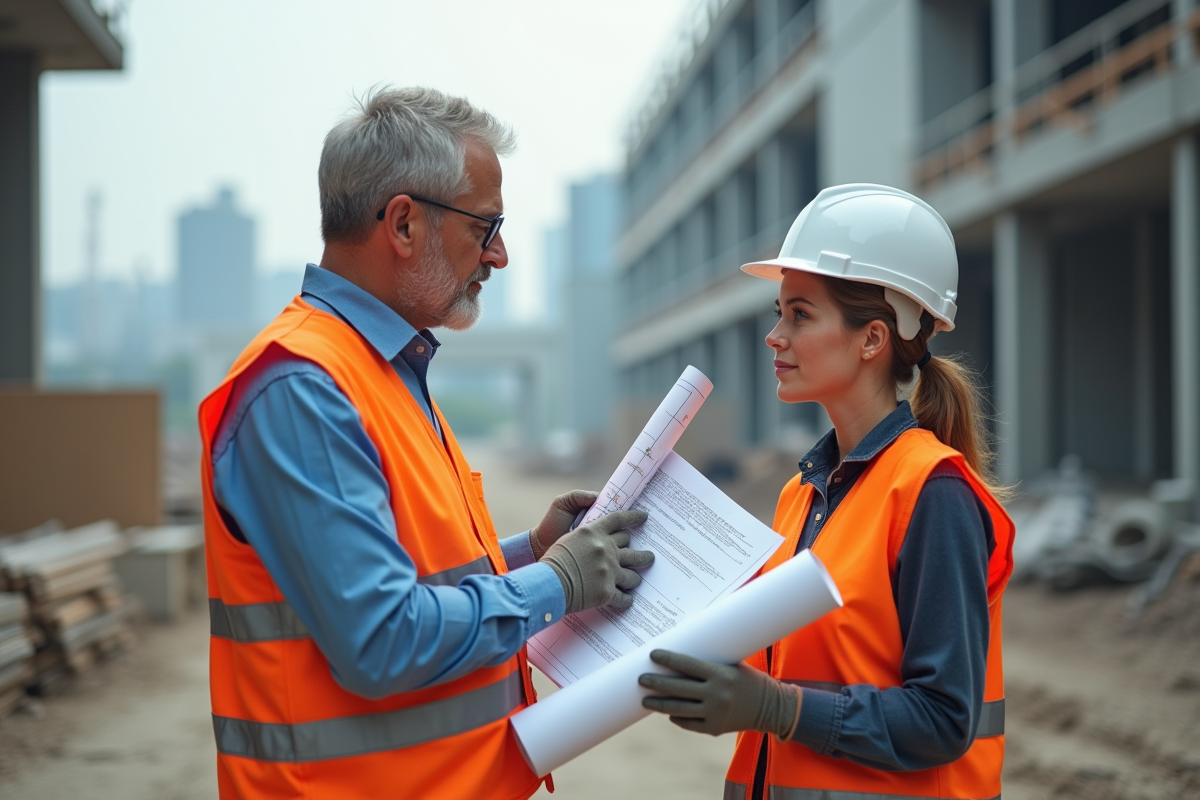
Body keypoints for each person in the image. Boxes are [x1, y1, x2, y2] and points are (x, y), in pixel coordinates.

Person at [198, 87, 654, 800]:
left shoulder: (380, 370)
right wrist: (557, 583)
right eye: (486, 226)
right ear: (404, 223)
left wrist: (532, 551)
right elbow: (380, 636)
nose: (498, 255)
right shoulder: (302, 389)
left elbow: (411, 578)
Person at [638, 184, 1015, 800]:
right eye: (779, 313)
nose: (775, 336)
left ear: (872, 339)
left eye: (801, 314)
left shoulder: (933, 492)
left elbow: (945, 720)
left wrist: (780, 709)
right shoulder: (801, 494)